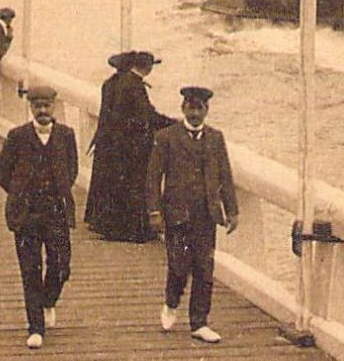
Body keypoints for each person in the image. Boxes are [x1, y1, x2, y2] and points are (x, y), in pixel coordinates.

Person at [145, 86, 239, 344]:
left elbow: (225, 177)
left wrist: (232, 210)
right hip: (176, 212)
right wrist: (154, 211)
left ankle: (199, 322)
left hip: (206, 214)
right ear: (183, 108)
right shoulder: (166, 137)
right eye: (191, 107)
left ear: (207, 110)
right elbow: (153, 177)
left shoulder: (216, 138)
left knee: (204, 268)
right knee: (178, 265)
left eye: (200, 108)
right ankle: (171, 302)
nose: (195, 113)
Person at [0, 84, 78, 350]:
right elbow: (1, 171)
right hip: (26, 214)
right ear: (30, 107)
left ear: (55, 106)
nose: (42, 111)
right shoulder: (17, 136)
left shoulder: (66, 135)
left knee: (61, 266)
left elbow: (71, 170)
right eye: (37, 106)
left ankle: (48, 300)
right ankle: (36, 327)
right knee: (30, 271)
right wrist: (20, 193)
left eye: (47, 106)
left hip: (56, 213)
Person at [84, 51, 175, 242]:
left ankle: (106, 224)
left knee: (113, 187)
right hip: (130, 147)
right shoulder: (134, 86)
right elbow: (146, 117)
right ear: (147, 68)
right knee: (132, 187)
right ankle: (131, 230)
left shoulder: (112, 83)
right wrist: (171, 123)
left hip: (110, 143)